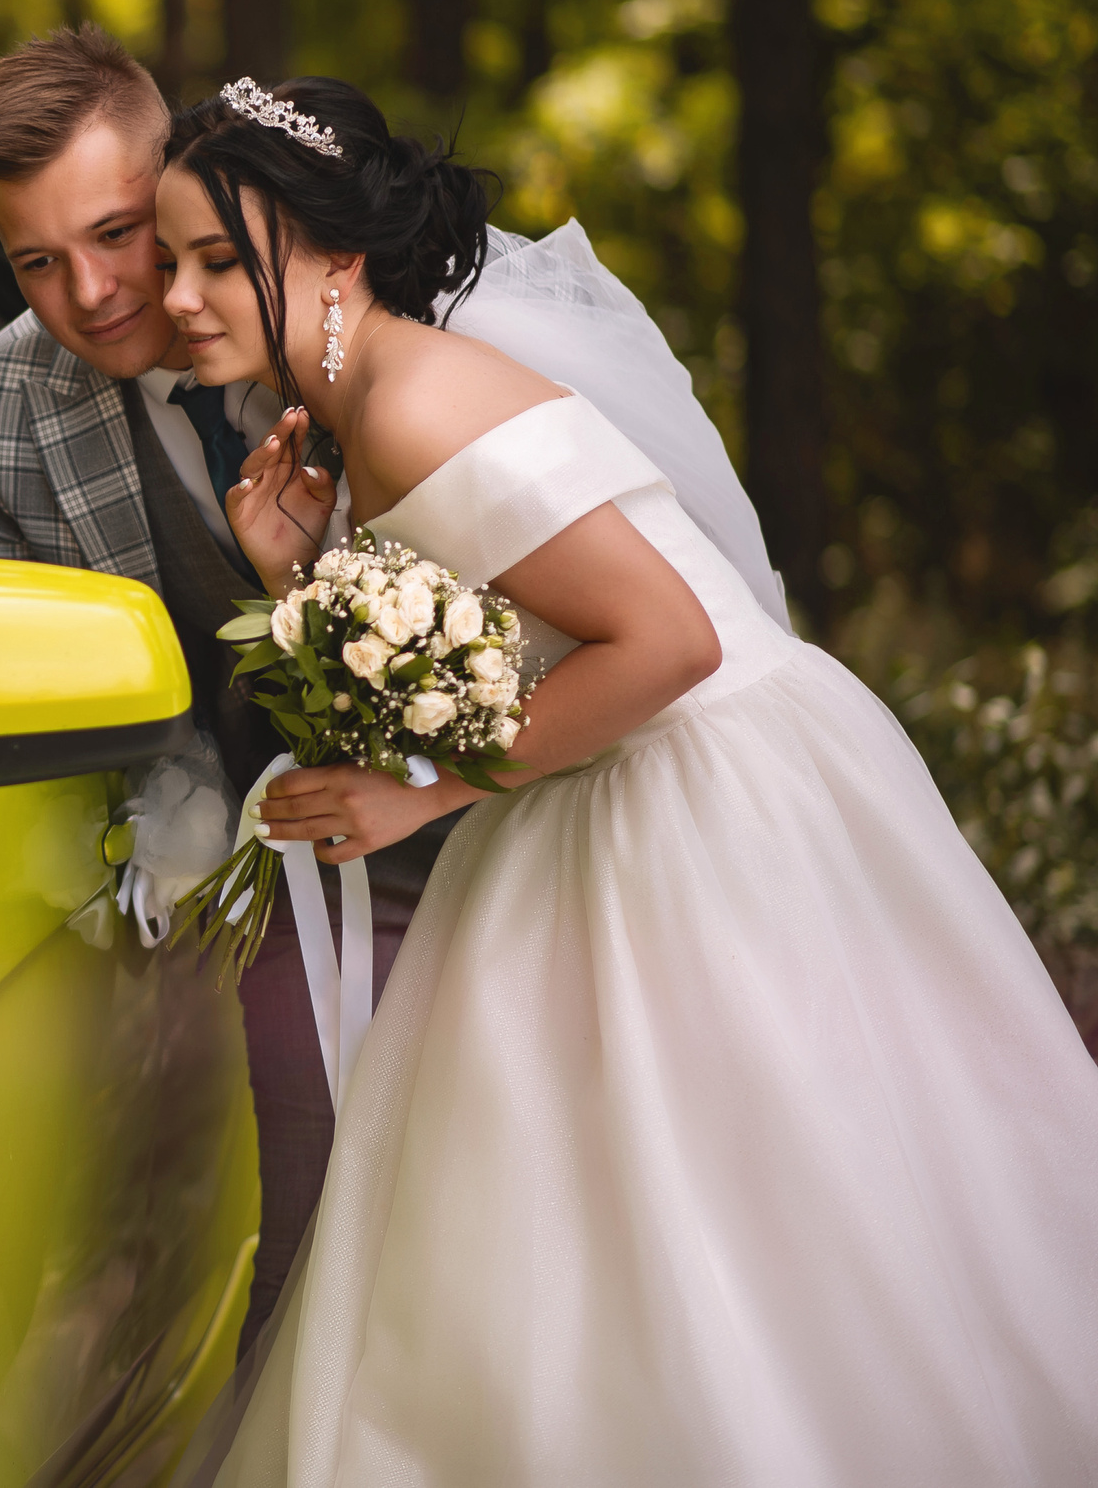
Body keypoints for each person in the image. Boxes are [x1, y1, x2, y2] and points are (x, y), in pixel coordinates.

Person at [155, 74, 1098, 1485]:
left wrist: (424, 791)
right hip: (597, 779)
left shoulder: (410, 406)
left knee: (748, 1205)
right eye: (169, 259)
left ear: (334, 256)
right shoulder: (363, 408)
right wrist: (299, 571)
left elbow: (669, 638)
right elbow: (478, 641)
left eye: (218, 258)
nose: (176, 296)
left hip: (694, 792)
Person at [0, 24, 422, 1353]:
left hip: (443, 803)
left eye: (118, 231)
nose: (92, 292)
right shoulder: (2, 401)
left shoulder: (345, 327)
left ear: (182, 177)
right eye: (35, 262)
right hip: (249, 866)